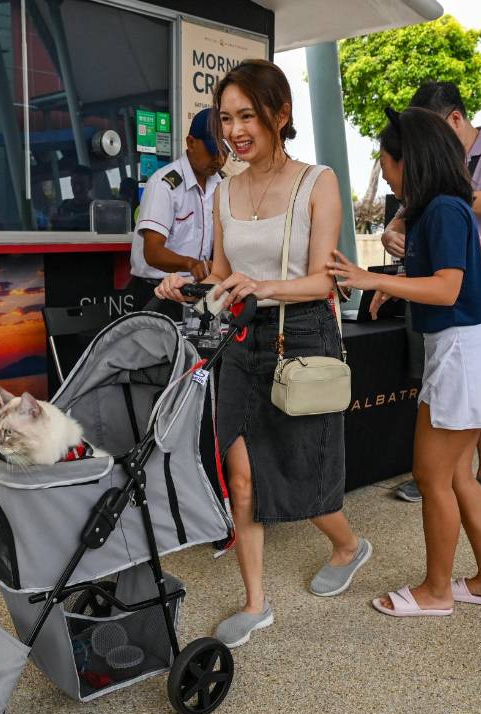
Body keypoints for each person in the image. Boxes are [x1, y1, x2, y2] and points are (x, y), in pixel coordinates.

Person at [154, 59, 370, 647]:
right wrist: (188, 286)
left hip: (301, 333)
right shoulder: (225, 188)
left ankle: (348, 544)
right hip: (242, 337)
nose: (234, 130)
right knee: (242, 472)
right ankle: (255, 603)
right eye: (226, 118)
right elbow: (224, 274)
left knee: (299, 468)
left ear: (281, 114)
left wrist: (263, 286)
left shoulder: (316, 181)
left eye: (247, 115)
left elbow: (326, 281)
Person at [328, 107, 481, 616]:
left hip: (459, 352)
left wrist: (375, 281)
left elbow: (447, 286)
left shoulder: (440, 209)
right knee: (458, 477)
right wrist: (391, 292)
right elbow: (440, 283)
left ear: (407, 160)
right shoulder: (446, 207)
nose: (386, 172)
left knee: (432, 476)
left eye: (387, 162)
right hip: (462, 350)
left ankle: (437, 591)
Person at [383, 81, 481, 503]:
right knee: (446, 457)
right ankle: (452, 477)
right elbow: (400, 221)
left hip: (478, 309)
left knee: (480, 410)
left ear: (454, 119)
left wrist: (437, 184)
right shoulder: (433, 199)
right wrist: (395, 232)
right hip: (443, 319)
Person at [127, 108, 225, 319]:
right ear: (191, 143)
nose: (219, 159)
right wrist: (190, 264)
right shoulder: (164, 185)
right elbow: (152, 252)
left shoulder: (222, 186)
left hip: (199, 290)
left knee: (207, 348)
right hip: (158, 293)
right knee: (160, 352)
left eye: (223, 151)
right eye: (212, 150)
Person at [52, 165, 94, 230]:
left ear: (90, 185)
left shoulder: (96, 209)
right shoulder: (63, 208)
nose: (77, 189)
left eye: (81, 184)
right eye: (74, 184)